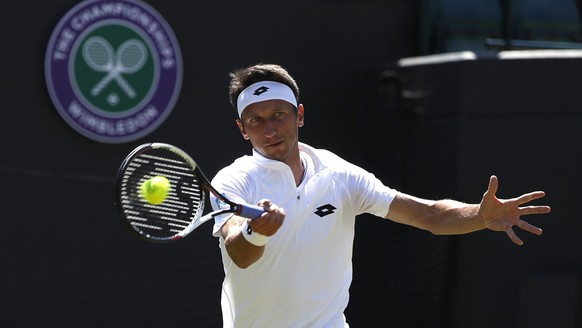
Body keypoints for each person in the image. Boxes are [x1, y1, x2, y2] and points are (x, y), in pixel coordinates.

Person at [209, 63, 551, 328]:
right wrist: (256, 232)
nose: (269, 130)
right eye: (255, 121)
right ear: (242, 129)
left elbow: (428, 215)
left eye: (278, 115)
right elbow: (237, 250)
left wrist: (478, 216)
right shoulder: (234, 180)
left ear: (299, 115)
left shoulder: (340, 175)